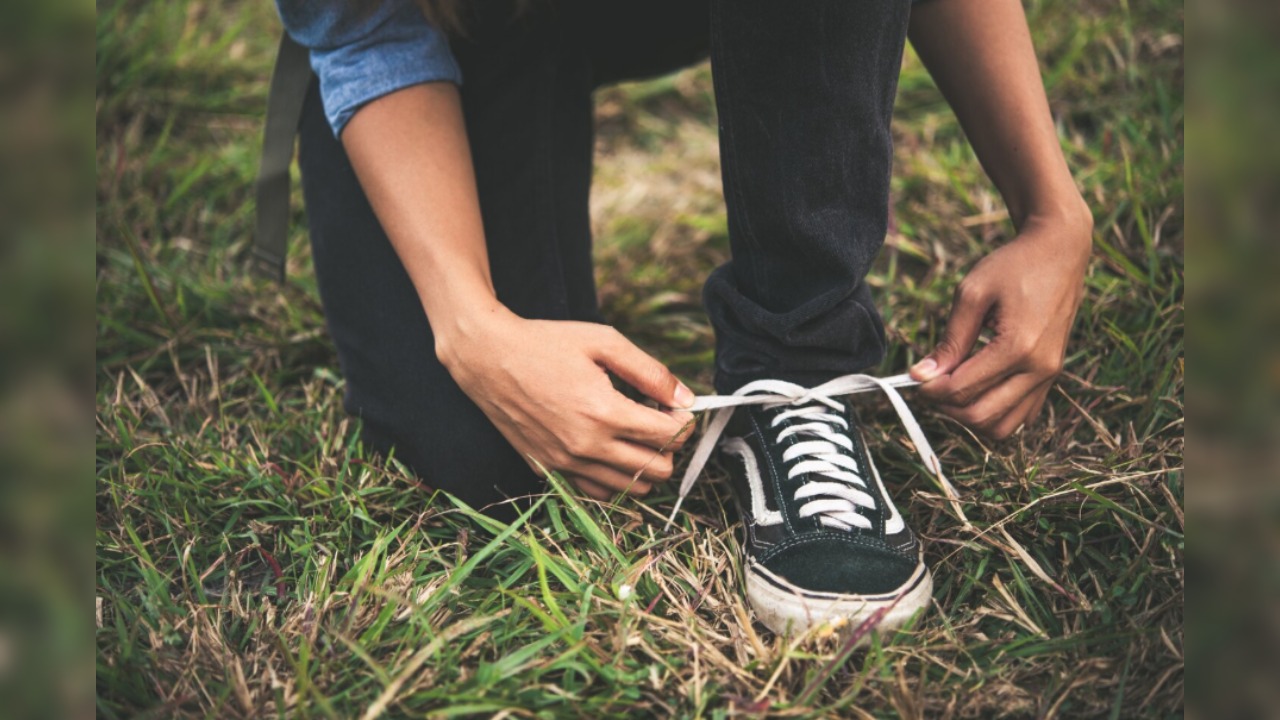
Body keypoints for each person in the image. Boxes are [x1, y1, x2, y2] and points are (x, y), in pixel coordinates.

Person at [273, 0, 1092, 634]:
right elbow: (363, 30)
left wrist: (1051, 213)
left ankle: (795, 366)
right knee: (487, 460)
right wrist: (473, 327)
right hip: (458, 19)